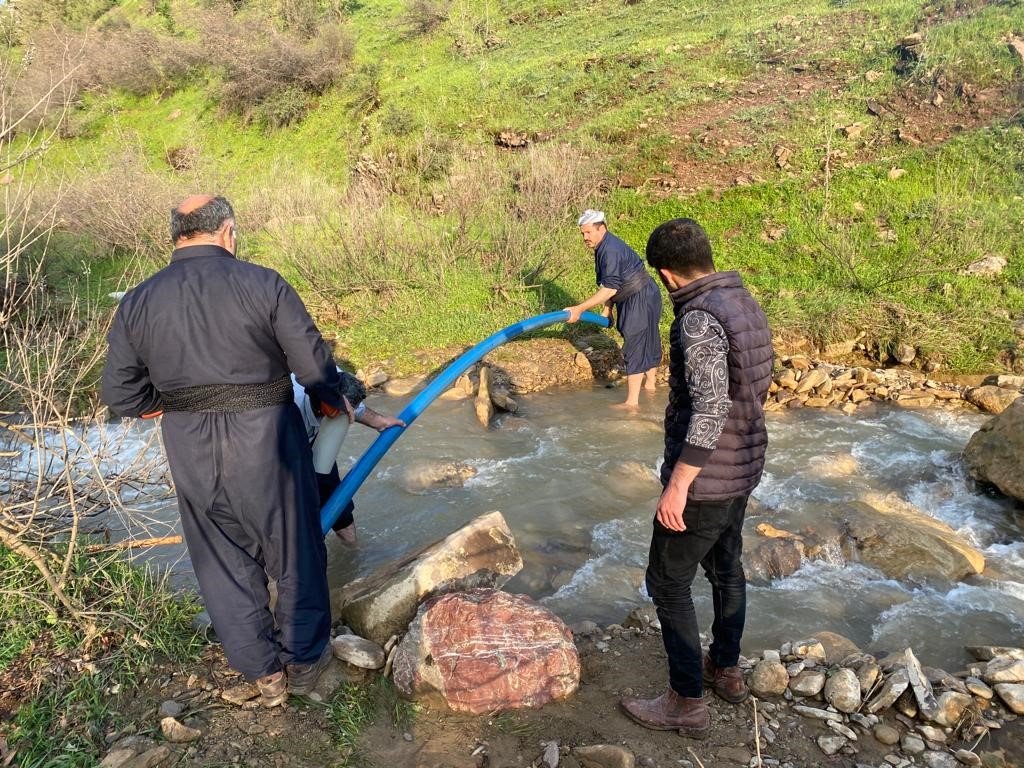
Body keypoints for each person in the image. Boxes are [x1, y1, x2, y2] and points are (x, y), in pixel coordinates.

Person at [101, 195, 345, 708]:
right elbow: (315, 367)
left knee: (220, 558)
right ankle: (302, 664)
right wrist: (332, 405)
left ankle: (264, 677)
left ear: (176, 235)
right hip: (267, 437)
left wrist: (170, 404)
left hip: (188, 441)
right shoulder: (263, 282)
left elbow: (121, 395)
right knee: (295, 550)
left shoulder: (139, 300)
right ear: (228, 231)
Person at [619, 218, 772, 738]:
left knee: (667, 581)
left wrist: (679, 483)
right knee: (726, 571)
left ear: (666, 276)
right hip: (744, 465)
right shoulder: (742, 300)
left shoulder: (698, 318)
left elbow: (708, 408)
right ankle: (725, 670)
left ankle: (685, 701)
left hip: (706, 478)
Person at [565, 209, 663, 408]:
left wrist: (579, 308)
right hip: (647, 293)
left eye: (588, 232)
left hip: (638, 297)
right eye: (582, 233)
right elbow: (608, 283)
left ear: (602, 229)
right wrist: (608, 310)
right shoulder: (606, 246)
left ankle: (632, 403)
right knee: (648, 339)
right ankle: (651, 388)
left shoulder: (609, 250)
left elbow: (610, 288)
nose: (585, 237)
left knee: (636, 343)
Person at [291, 373, 404, 543]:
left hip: (316, 442)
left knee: (339, 510)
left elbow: (355, 408)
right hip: (279, 454)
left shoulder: (336, 382)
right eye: (346, 414)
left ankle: (352, 551)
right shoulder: (289, 403)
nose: (350, 419)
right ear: (331, 409)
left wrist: (380, 421)